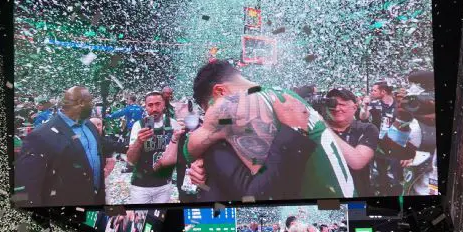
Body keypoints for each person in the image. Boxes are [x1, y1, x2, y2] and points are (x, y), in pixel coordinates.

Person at [182, 60, 355, 202]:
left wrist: (202, 156)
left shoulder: (235, 105)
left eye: (208, 108)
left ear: (220, 91)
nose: (209, 117)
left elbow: (267, 195)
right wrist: (202, 160)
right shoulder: (280, 93)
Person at [11, 86, 107, 207]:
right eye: (91, 102)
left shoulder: (89, 125)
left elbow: (93, 153)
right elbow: (28, 187)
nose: (93, 105)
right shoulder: (41, 135)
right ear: (81, 103)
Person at [124, 92, 184, 204]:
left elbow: (182, 154)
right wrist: (139, 142)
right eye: (150, 105)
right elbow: (131, 160)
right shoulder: (139, 125)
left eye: (157, 104)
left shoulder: (173, 124)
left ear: (164, 105)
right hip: (141, 185)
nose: (154, 108)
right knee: (140, 218)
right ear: (145, 107)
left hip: (164, 185)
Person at [323, 88, 379, 198]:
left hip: (357, 194)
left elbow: (357, 162)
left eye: (342, 104)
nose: (336, 108)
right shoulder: (315, 129)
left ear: (354, 107)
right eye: (332, 104)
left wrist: (324, 129)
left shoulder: (367, 129)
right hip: (325, 193)